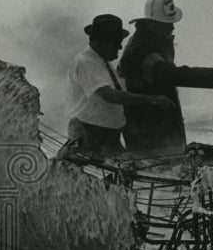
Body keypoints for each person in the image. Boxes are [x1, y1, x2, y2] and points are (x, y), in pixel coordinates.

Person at [119, 0, 213, 156]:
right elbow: (174, 75)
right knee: (161, 172)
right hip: (150, 132)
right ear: (152, 24)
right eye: (167, 24)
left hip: (157, 126)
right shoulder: (142, 50)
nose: (172, 27)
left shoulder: (147, 41)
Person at [64, 14, 173, 159]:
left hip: (109, 138)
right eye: (116, 43)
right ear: (100, 41)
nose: (120, 47)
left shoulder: (104, 64)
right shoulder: (84, 63)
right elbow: (110, 95)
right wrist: (152, 99)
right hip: (88, 136)